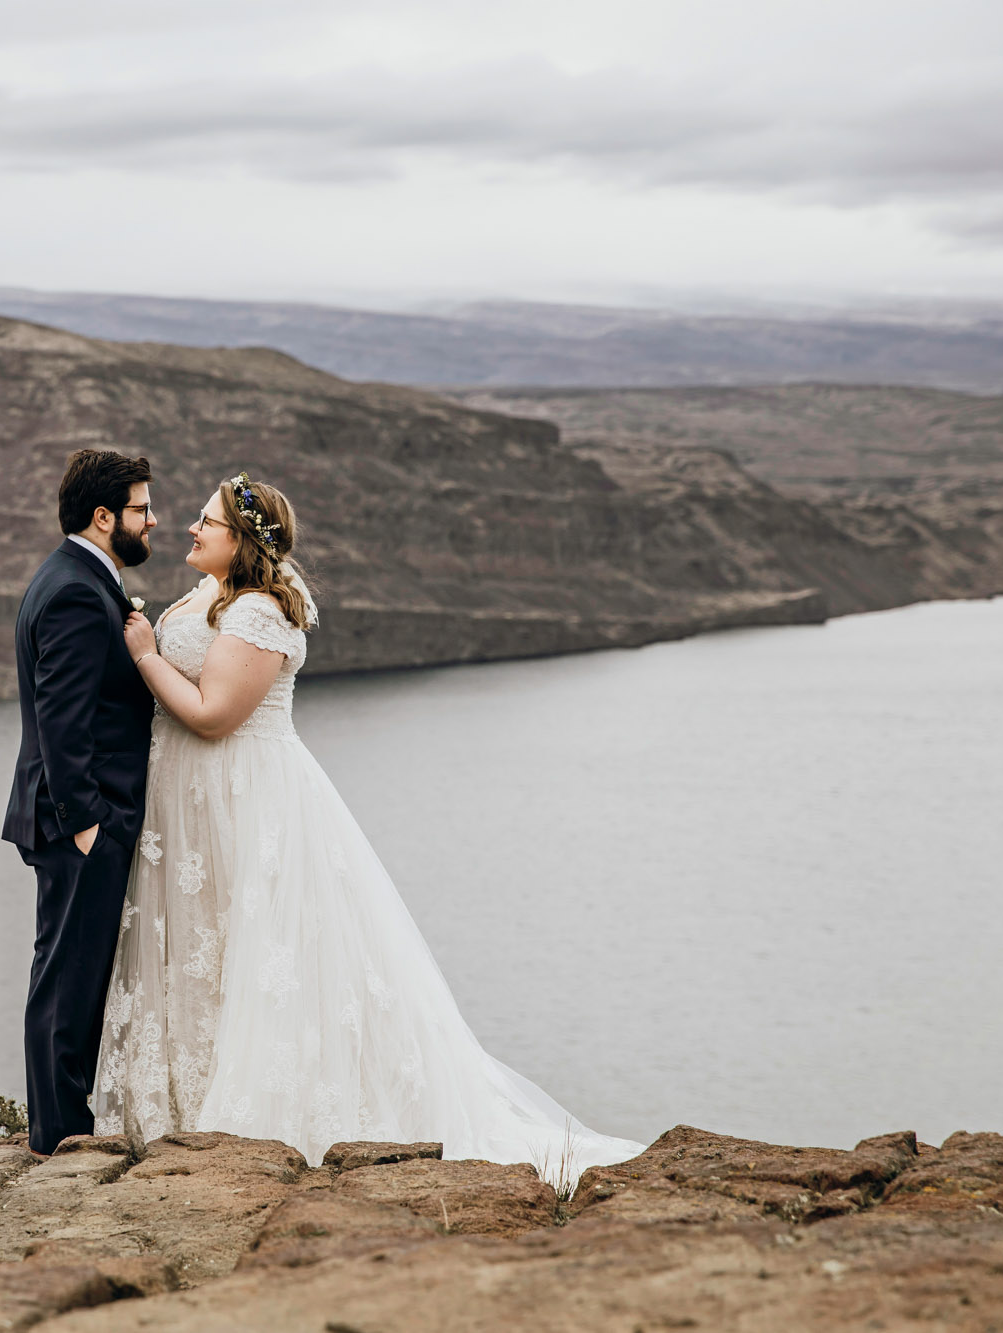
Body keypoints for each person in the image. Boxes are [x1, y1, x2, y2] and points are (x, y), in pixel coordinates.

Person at [92, 471, 642, 1177]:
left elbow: (212, 714)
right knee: (207, 947)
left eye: (207, 522)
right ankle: (179, 1112)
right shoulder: (207, 593)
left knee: (259, 952)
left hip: (246, 798)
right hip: (190, 804)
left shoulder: (261, 610)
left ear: (243, 543)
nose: (189, 528)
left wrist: (142, 654)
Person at [2, 448, 160, 1156]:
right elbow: (62, 723)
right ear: (104, 517)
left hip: (74, 820)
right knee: (68, 981)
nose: (152, 519)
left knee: (64, 971)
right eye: (140, 508)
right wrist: (89, 823)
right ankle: (59, 1136)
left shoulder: (74, 577)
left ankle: (55, 1129)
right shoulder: (72, 590)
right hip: (78, 822)